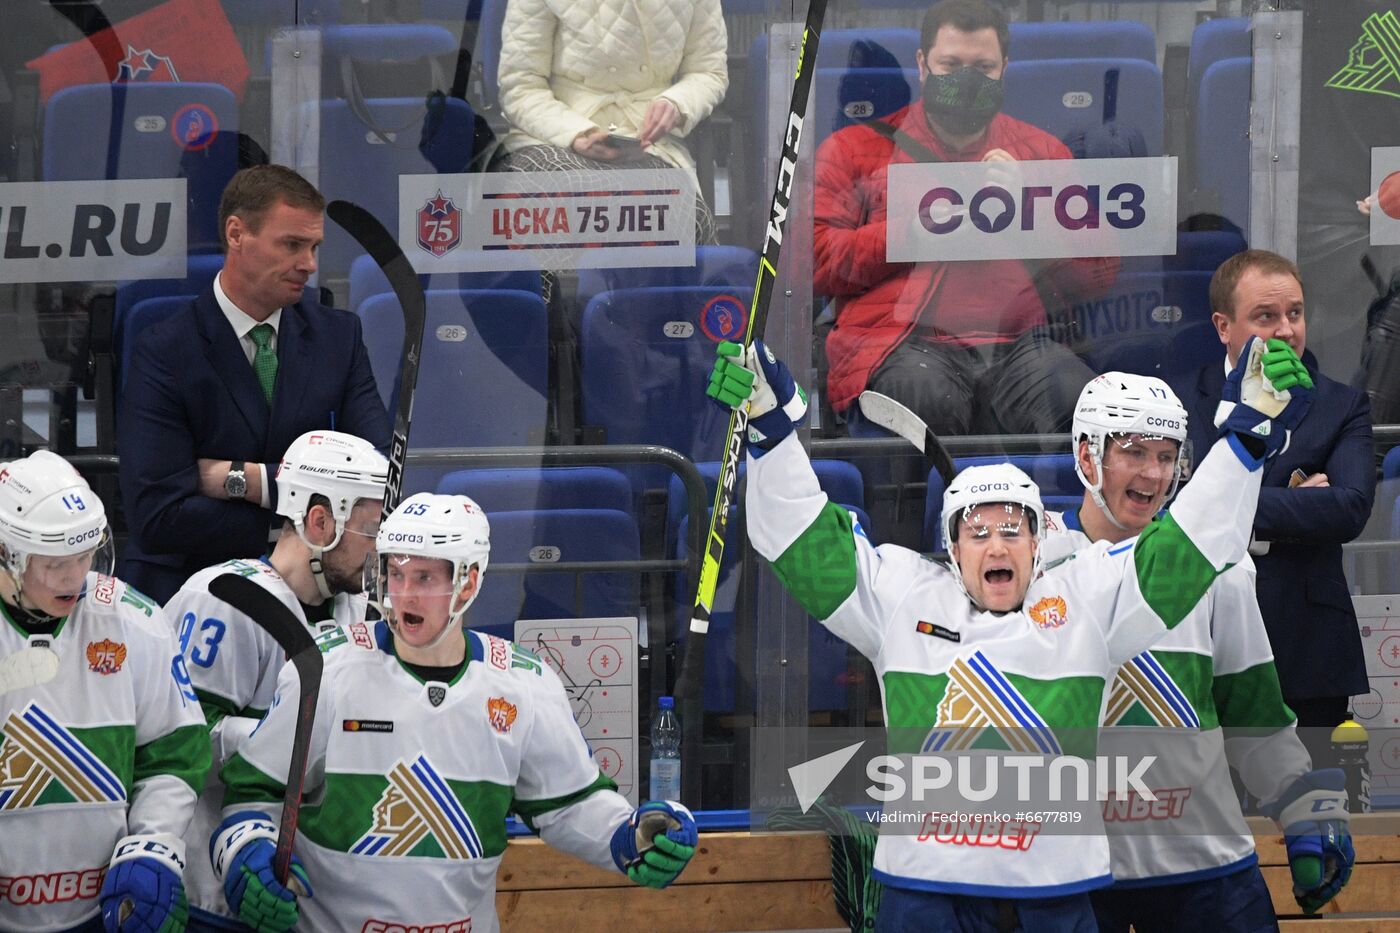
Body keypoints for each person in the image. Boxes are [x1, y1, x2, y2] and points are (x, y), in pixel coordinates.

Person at [705, 335, 1318, 930]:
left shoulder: (1086, 593)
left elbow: (1187, 550)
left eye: (1013, 529)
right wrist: (772, 432)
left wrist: (1245, 437)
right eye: (977, 531)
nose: (997, 543)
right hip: (926, 891)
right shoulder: (901, 595)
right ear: (949, 547)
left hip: (1055, 893)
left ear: (1038, 542)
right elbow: (803, 545)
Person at [209, 491, 697, 932]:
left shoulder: (523, 685)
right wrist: (245, 854)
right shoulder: (326, 669)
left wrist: (629, 833)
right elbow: (256, 794)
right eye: (395, 574)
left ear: (468, 584)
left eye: (424, 577)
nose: (404, 594)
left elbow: (570, 803)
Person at [1042, 373, 1352, 929]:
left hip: (1202, 866)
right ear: (1086, 454)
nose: (1153, 474)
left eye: (1166, 456)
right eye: (1133, 452)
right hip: (1073, 869)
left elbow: (1251, 710)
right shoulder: (1028, 563)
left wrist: (1300, 804)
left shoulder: (1220, 566)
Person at [816, 0, 1118, 437]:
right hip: (901, 341)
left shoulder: (1041, 153)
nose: (966, 79)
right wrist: (910, 235)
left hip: (1019, 346)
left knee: (1083, 404)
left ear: (1004, 69)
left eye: (982, 67)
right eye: (950, 64)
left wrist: (1031, 206)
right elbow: (814, 261)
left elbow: (1099, 271)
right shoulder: (855, 149)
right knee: (923, 398)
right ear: (922, 65)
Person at [118, 164, 391, 605]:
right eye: (292, 245)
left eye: (315, 247)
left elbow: (379, 478)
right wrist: (307, 520)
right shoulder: (164, 349)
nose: (309, 264)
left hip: (314, 594)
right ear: (236, 233)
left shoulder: (340, 337)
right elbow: (158, 514)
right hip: (192, 592)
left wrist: (246, 480)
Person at [165, 430, 387, 931]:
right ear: (319, 520)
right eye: (370, 529)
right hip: (216, 890)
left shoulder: (356, 611)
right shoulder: (221, 599)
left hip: (304, 892)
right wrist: (301, 739)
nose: (380, 547)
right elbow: (179, 748)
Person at [1169, 249, 1376, 768]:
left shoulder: (1341, 404)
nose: (1286, 331)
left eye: (1295, 313)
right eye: (1266, 317)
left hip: (1307, 649)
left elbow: (1348, 508)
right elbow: (1167, 509)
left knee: (1317, 822)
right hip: (1197, 646)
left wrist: (1223, 505)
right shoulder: (1177, 400)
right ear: (1223, 326)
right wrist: (1289, 509)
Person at [0, 450, 209, 933]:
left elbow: (175, 755)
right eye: (55, 564)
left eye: (85, 556)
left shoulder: (135, 620)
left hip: (106, 907)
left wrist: (154, 846)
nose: (76, 578)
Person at [494, 0, 728, 243]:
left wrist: (677, 103)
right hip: (553, 133)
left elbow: (708, 73)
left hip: (646, 140)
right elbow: (520, 86)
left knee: (688, 220)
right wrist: (576, 133)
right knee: (563, 198)